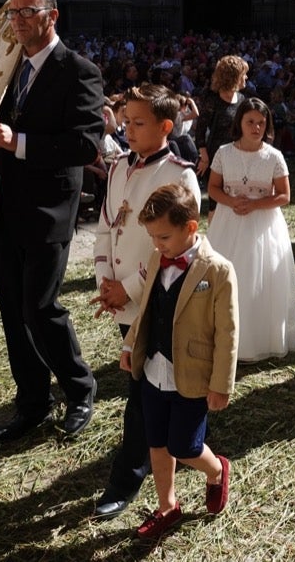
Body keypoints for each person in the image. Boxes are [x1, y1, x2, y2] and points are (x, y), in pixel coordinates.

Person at [0, 0, 102, 441]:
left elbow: (86, 144)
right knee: (13, 311)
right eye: (12, 14)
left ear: (52, 16)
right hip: (6, 208)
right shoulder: (7, 71)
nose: (18, 21)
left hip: (49, 209)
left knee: (40, 307)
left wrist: (16, 142)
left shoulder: (78, 71)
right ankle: (32, 402)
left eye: (27, 12)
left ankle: (79, 389)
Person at [90, 83, 201, 520]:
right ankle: (158, 451)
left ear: (166, 126)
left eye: (139, 123)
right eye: (127, 121)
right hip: (120, 295)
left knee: (142, 391)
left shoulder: (179, 173)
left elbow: (174, 247)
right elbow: (105, 227)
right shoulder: (118, 166)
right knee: (140, 385)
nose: (129, 130)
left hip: (155, 299)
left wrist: (130, 288)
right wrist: (105, 280)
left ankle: (128, 475)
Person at [121, 183, 237, 539]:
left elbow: (228, 333)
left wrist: (221, 384)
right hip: (154, 371)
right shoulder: (158, 257)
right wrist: (130, 345)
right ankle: (167, 506)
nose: (157, 245)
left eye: (164, 237)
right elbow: (146, 310)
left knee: (184, 446)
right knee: (157, 442)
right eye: (154, 237)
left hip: (193, 375)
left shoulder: (217, 271)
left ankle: (216, 469)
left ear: (190, 227)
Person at [206, 98, 295, 361]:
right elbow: (212, 188)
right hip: (228, 220)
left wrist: (257, 204)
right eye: (250, 122)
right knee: (228, 275)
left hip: (263, 225)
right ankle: (223, 337)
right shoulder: (224, 153)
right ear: (240, 123)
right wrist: (232, 201)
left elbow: (284, 195)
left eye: (261, 122)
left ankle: (257, 339)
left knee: (260, 277)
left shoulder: (274, 156)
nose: (256, 127)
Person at [194, 55, 248, 198]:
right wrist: (204, 157)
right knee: (216, 202)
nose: (246, 77)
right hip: (216, 155)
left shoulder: (242, 99)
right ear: (234, 76)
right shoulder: (212, 99)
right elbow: (200, 130)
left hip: (238, 154)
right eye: (243, 74)